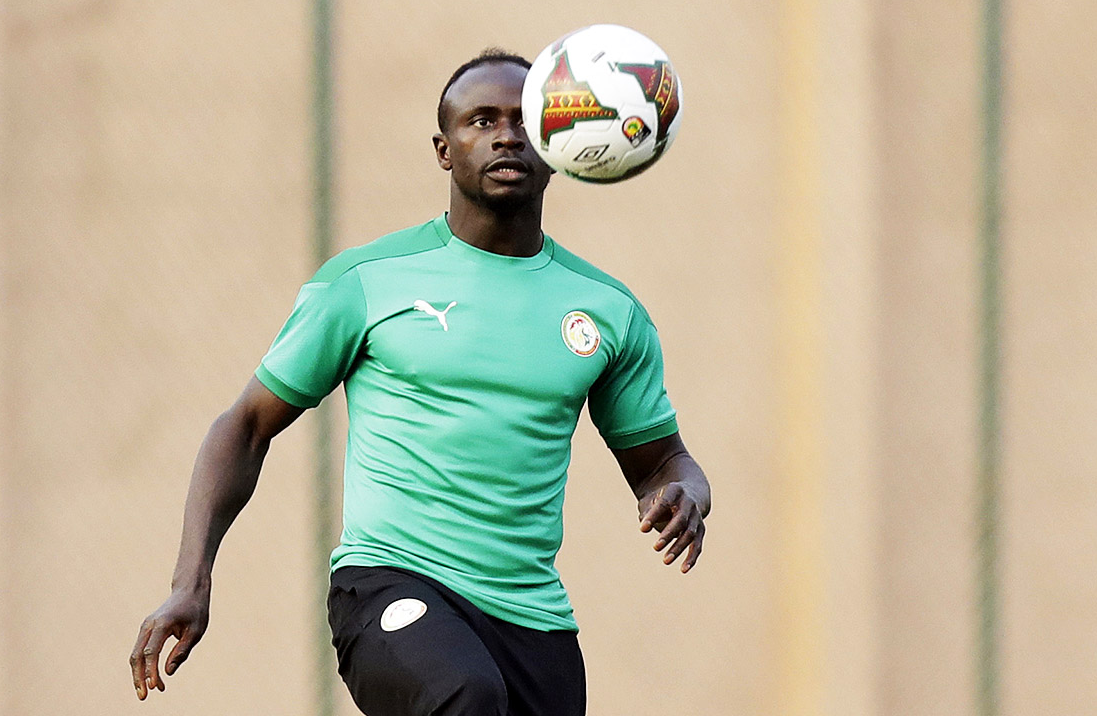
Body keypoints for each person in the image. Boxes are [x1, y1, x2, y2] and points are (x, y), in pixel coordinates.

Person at [130, 48, 711, 716]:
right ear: (444, 149)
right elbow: (245, 425)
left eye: (523, 119)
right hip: (388, 586)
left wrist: (686, 491)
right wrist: (190, 581)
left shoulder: (607, 311)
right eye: (480, 120)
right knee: (463, 694)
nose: (504, 134)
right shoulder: (367, 282)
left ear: (557, 142)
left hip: (534, 621)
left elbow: (662, 460)